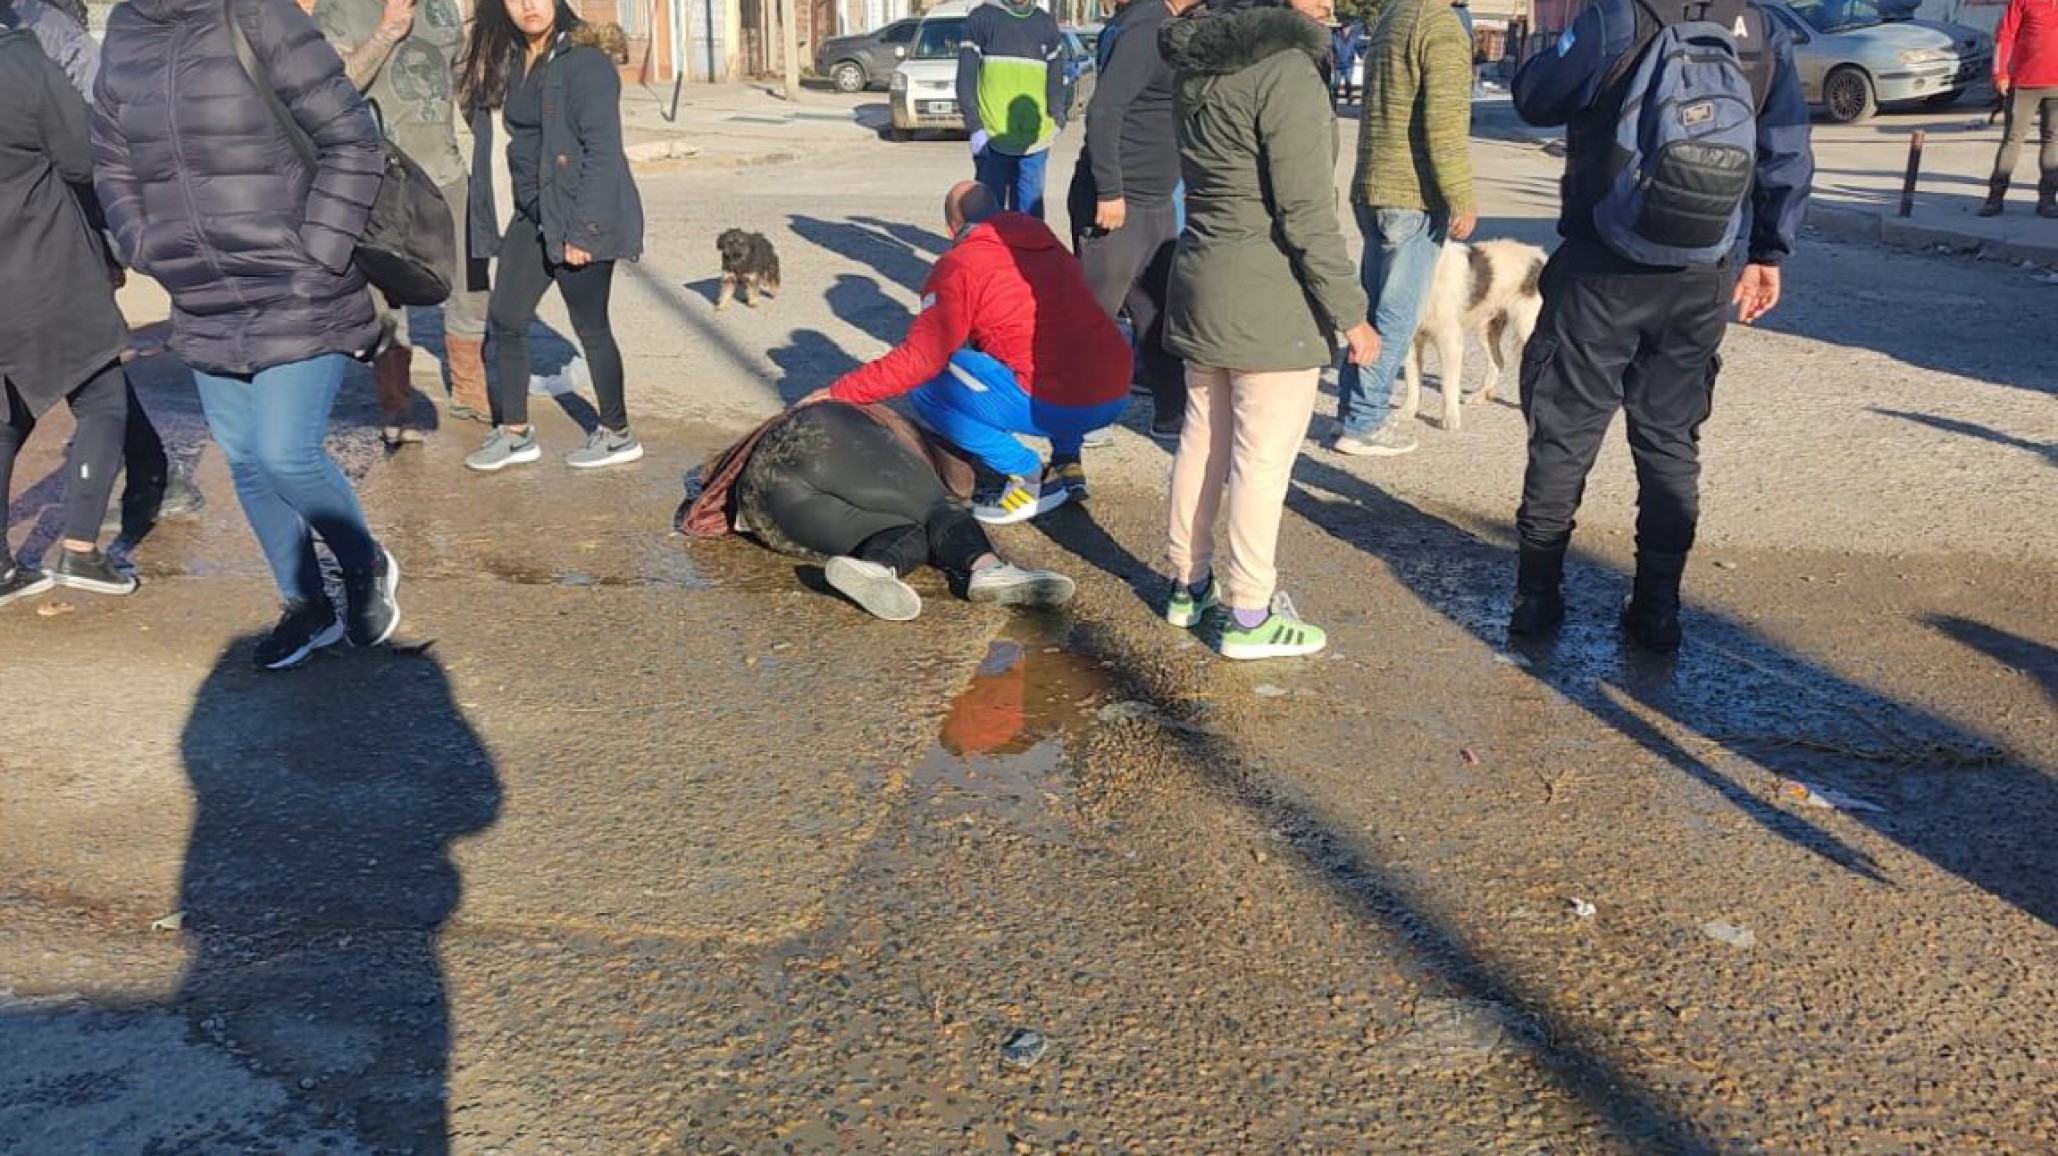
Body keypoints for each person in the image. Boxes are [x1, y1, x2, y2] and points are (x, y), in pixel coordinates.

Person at [93, 0, 404, 669]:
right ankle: (306, 604)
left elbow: (352, 139)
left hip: (295, 285)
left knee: (285, 453)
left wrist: (317, 250)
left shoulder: (256, 13)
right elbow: (111, 160)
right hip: (201, 295)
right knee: (246, 462)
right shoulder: (125, 30)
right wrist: (144, 244)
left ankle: (363, 562)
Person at [1508, 0, 1812, 650]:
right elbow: (1784, 149)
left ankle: (1536, 601)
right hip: (1703, 271)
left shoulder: (1617, 16)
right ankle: (1656, 612)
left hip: (1601, 262)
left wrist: (1557, 44)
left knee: (1564, 433)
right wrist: (1766, 253)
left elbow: (1536, 97)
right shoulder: (1759, 27)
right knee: (1671, 441)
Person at [1158, 0, 1378, 661]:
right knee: (1260, 459)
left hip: (1202, 274)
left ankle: (1186, 583)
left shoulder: (1194, 69)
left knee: (1203, 440)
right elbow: (1306, 213)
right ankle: (1250, 613)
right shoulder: (1284, 72)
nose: (1329, 7)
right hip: (1267, 298)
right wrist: (1352, 313)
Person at [1, 0, 207, 541]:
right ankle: (148, 479)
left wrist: (106, 239)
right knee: (85, 368)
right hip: (40, 220)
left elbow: (93, 139)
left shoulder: (43, 30)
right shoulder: (33, 33)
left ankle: (148, 479)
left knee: (85, 367)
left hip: (63, 217)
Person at [822, 182, 1131, 527]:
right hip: (1114, 391)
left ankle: (1033, 476)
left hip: (1057, 403)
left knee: (929, 386)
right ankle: (1067, 462)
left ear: (951, 229)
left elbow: (921, 359)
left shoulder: (960, 264)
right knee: (1060, 346)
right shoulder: (1047, 243)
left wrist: (838, 393)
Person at [457, 0, 645, 473]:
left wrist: (584, 231)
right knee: (507, 316)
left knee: (591, 326)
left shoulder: (585, 61)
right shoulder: (513, 58)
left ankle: (618, 433)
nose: (528, 6)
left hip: (577, 212)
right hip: (533, 210)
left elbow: (603, 153)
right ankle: (516, 434)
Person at [679, 400, 1078, 621]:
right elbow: (956, 487)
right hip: (820, 437)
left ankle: (877, 566)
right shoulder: (926, 431)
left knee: (915, 533)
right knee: (939, 507)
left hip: (765, 502)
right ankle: (988, 567)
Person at [0, 22, 138, 607]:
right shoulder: (21, 61)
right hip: (44, 263)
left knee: (6, 413)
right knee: (104, 400)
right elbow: (83, 157)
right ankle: (80, 550)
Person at [316, 0, 495, 441]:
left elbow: (462, 83)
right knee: (385, 296)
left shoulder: (443, 9)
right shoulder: (337, 9)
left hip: (447, 174)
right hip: (379, 181)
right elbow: (330, 92)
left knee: (470, 290)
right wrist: (387, 31)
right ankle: (397, 409)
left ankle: (471, 393)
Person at [1332, 0, 1475, 457]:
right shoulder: (1441, 27)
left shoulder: (1393, 17)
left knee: (1371, 311)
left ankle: (1351, 413)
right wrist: (1461, 197)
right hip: (1412, 194)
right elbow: (1444, 124)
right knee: (1396, 317)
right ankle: (1364, 422)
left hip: (1372, 187)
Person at [1067, 0, 1201, 442]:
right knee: (1095, 316)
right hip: (1118, 204)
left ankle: (1170, 413)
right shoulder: (1147, 30)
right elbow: (1105, 110)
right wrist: (1110, 191)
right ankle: (1084, 419)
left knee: (1157, 313)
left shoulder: (1171, 26)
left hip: (1157, 203)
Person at [958, 0, 1068, 217]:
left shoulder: (1046, 24)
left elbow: (1055, 79)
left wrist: (1057, 117)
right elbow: (965, 80)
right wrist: (975, 127)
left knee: (1029, 222)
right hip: (992, 140)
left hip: (1034, 144)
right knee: (989, 218)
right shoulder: (982, 19)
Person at [1980, 0, 2056, 218]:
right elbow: (2005, 36)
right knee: (2012, 140)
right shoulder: (2022, 2)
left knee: (2053, 141)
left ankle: (2048, 200)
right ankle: (1995, 198)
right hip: (2023, 84)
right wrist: (2000, 74)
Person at [1329, 18, 1363, 102]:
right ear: (1342, 28)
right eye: (1345, 28)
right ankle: (1334, 97)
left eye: (1348, 28)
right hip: (1338, 64)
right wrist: (1331, 61)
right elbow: (1331, 50)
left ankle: (1349, 97)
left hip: (1349, 63)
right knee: (1336, 83)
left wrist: (1362, 55)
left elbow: (1358, 47)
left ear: (1350, 28)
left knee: (1348, 82)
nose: (1346, 30)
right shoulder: (1336, 37)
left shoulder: (1353, 38)